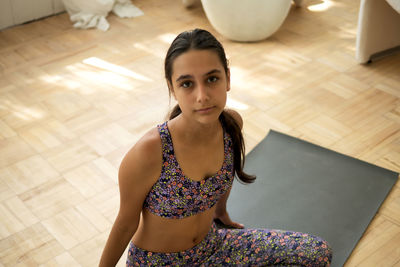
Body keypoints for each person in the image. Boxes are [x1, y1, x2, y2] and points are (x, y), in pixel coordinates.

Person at [99, 28, 332, 267]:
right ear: (172, 88)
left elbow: (225, 175)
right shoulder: (150, 151)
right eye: (187, 84)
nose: (202, 96)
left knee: (317, 253)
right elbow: (125, 224)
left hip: (214, 248)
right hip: (159, 262)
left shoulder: (230, 126)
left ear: (227, 78)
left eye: (212, 79)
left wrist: (221, 212)